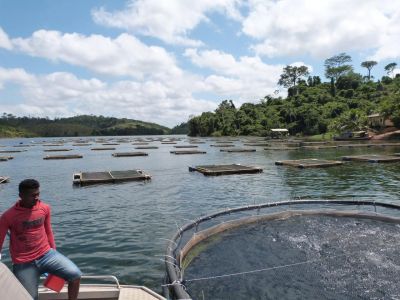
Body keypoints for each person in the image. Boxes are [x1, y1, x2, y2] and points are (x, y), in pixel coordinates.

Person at [0, 179, 81, 300]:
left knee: (75, 275)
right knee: (29, 297)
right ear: (21, 196)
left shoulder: (45, 208)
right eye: (33, 195)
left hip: (47, 255)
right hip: (23, 263)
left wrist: (54, 251)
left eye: (38, 194)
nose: (37, 197)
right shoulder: (8, 216)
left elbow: (48, 231)